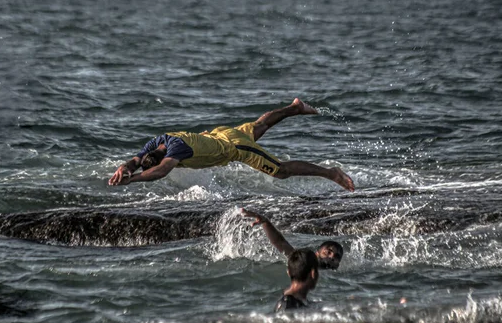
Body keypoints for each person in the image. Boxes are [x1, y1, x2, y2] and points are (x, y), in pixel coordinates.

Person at [108, 98, 355, 191]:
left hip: (234, 148)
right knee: (259, 127)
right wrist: (125, 167)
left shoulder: (175, 152)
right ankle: (294, 107)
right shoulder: (159, 141)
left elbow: (160, 171)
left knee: (281, 171)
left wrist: (134, 180)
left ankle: (330, 173)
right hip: (221, 134)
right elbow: (138, 159)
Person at [241, 208, 344, 270]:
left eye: (337, 256)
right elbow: (280, 242)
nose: (332, 256)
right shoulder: (304, 262)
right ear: (317, 252)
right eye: (329, 251)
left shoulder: (336, 273)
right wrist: (265, 222)